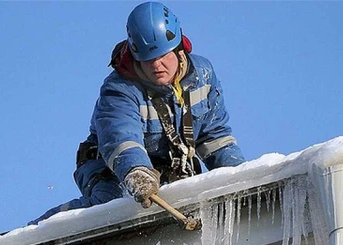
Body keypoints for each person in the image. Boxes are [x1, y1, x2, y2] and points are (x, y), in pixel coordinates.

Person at [28, 1, 245, 225]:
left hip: (167, 169)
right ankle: (37, 232)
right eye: (147, 59)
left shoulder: (203, 75)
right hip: (109, 167)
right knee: (112, 206)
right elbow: (121, 138)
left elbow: (215, 137)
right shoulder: (119, 89)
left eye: (162, 56)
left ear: (178, 47)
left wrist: (242, 179)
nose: (156, 65)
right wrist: (136, 170)